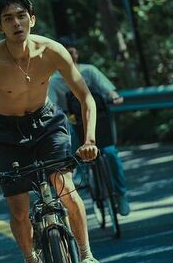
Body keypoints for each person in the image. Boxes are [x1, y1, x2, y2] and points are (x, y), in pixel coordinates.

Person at [0, 0, 107, 263]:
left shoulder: (52, 51)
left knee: (64, 187)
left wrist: (89, 140)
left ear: (32, 19)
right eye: (8, 19)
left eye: (21, 16)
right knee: (19, 210)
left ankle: (86, 257)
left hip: (47, 123)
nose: (16, 23)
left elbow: (85, 97)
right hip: (6, 132)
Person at [48, 44, 130, 216]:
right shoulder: (54, 81)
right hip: (73, 123)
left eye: (71, 52)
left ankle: (121, 194)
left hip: (97, 120)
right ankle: (79, 168)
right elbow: (51, 105)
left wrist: (114, 96)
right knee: (68, 134)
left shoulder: (89, 71)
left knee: (111, 153)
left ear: (76, 53)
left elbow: (108, 90)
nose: (68, 55)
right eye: (64, 53)